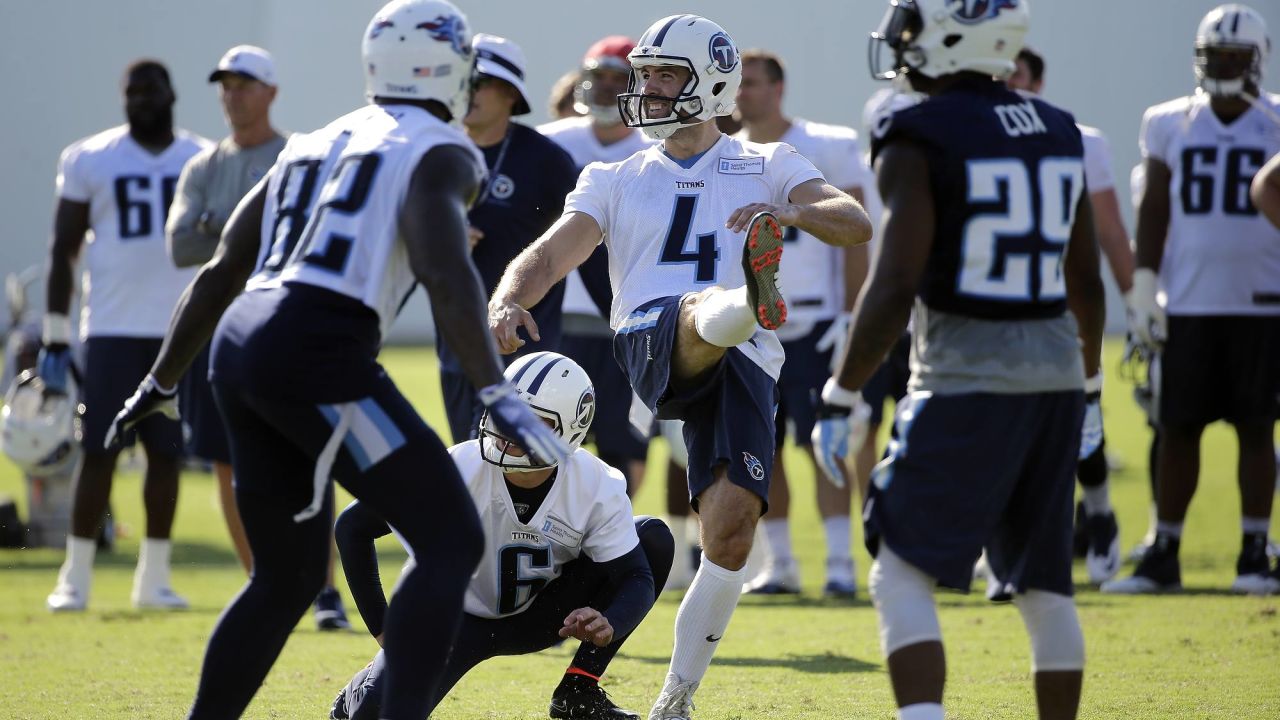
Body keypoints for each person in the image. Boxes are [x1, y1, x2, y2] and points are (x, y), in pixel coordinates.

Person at [103, 1, 570, 717]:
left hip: (239, 345)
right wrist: (495, 390)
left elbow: (222, 268)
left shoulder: (310, 142)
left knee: (285, 578)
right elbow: (446, 271)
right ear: (448, 66)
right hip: (316, 350)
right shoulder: (444, 151)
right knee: (449, 539)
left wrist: (161, 378)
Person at [488, 15, 871, 718]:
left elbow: (852, 220)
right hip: (649, 335)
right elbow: (547, 255)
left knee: (730, 532)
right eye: (648, 73)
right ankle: (742, 303)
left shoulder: (770, 162)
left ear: (713, 82)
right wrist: (508, 300)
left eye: (668, 75)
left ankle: (675, 699)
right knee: (700, 310)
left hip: (747, 363)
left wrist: (790, 209)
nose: (649, 88)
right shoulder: (614, 174)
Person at [816, 1, 1105, 718]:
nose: (901, 43)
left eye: (911, 29)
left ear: (954, 33)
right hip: (1057, 372)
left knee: (900, 571)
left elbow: (895, 278)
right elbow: (1086, 278)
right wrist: (1093, 385)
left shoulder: (916, 129)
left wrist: (841, 393)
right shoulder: (1059, 126)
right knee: (1043, 586)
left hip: (967, 374)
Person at [330, 352, 673, 720]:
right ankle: (363, 687)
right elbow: (353, 527)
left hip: (544, 615)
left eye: (531, 420)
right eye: (505, 412)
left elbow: (637, 575)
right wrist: (386, 631)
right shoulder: (458, 469)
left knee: (651, 537)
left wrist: (611, 621)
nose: (509, 430)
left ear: (571, 430)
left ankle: (578, 691)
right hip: (451, 618)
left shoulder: (595, 484)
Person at [166, 44, 350, 628]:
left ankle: (323, 592)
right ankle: (265, 587)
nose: (232, 94)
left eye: (244, 84)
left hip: (289, 331)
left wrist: (221, 233)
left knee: (310, 460)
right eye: (225, 84)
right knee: (228, 464)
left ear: (270, 91)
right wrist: (243, 237)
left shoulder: (297, 156)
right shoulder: (204, 165)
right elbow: (181, 246)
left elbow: (303, 242)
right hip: (217, 336)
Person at [1104, 3, 1280, 596]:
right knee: (1175, 427)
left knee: (1258, 428)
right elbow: (1153, 206)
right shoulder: (1169, 121)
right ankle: (1165, 549)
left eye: (1236, 57)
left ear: (1258, 60)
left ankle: (1255, 550)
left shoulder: (1278, 121)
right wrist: (1145, 284)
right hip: (1187, 300)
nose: (1225, 67)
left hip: (1263, 301)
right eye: (1215, 57)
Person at [42, 59, 212, 612]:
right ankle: (76, 575)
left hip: (179, 327)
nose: (141, 99)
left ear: (171, 92)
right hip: (112, 326)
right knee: (100, 449)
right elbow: (64, 247)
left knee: (167, 452)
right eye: (131, 91)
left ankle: (154, 577)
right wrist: (55, 333)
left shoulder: (201, 157)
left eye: (150, 89)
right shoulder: (90, 157)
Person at [732, 48, 870, 598]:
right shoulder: (723, 153)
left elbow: (854, 234)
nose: (742, 93)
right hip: (749, 321)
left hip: (814, 317)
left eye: (753, 83)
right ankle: (782, 563)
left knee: (827, 442)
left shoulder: (826, 142)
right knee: (762, 447)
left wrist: (853, 314)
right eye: (736, 84)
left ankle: (840, 562)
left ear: (779, 88)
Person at [1006, 45, 1132, 584]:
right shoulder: (961, 135)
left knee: (1084, 419)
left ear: (1037, 81)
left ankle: (1099, 511)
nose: (1004, 82)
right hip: (998, 306)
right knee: (1004, 425)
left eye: (1015, 73)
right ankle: (1014, 536)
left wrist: (1139, 294)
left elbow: (1105, 228)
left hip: (1063, 302)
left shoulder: (1076, 138)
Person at [435, 33, 579, 444]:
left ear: (510, 93)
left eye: (479, 82)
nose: (468, 92)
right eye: (463, 80)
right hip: (455, 343)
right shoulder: (435, 153)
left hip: (525, 347)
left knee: (522, 465)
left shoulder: (546, 160)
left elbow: (584, 235)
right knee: (469, 461)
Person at [539, 36, 656, 497]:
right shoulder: (550, 143)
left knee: (624, 442)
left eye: (618, 79)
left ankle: (613, 533)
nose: (607, 88)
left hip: (631, 315)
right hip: (555, 312)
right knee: (545, 435)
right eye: (599, 77)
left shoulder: (658, 148)